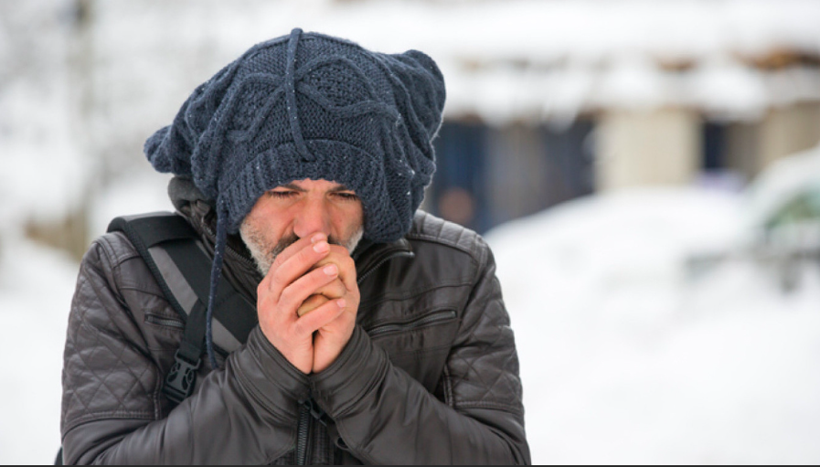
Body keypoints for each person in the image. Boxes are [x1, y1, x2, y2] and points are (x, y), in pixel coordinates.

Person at [60, 28, 530, 465]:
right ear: (235, 192)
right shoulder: (129, 274)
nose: (314, 229)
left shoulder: (455, 271)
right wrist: (267, 371)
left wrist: (353, 372)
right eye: (284, 192)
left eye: (344, 194)